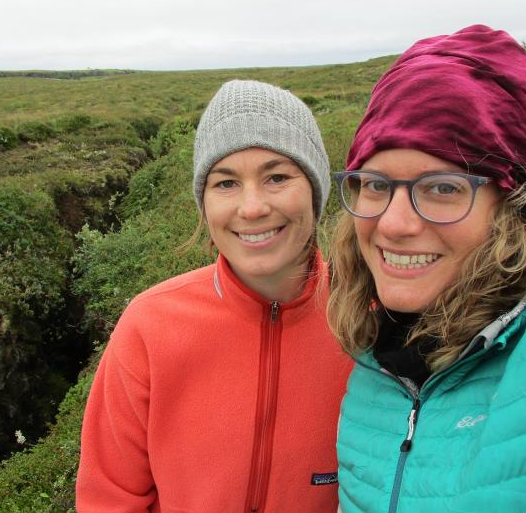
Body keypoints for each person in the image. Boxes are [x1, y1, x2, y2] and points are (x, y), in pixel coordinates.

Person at [327, 24, 526, 512]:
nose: (394, 224)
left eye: (442, 187)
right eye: (376, 184)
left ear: (513, 206)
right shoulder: (371, 362)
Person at [76, 79, 353, 512]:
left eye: (277, 176)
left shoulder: (367, 319)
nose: (252, 207)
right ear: (203, 202)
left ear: (315, 190)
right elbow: (110, 499)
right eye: (225, 183)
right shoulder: (150, 324)